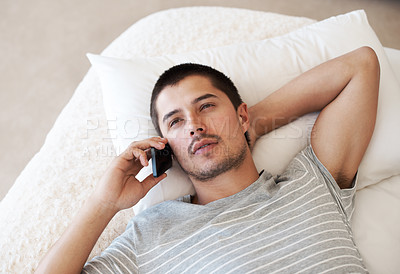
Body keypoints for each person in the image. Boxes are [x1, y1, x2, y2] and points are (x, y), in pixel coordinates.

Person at [36, 46, 379, 273]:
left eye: (207, 107)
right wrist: (103, 203)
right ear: (165, 145)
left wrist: (252, 125)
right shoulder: (153, 233)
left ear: (241, 115)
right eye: (176, 121)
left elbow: (360, 65)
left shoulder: (312, 184)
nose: (195, 126)